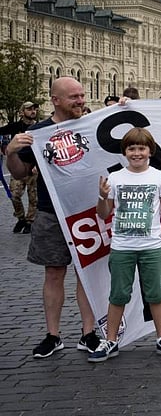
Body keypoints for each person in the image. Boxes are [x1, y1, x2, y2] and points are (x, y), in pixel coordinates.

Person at [5, 78, 101, 358]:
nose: (81, 100)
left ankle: (88, 333)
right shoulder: (37, 133)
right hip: (51, 212)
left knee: (87, 273)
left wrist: (122, 108)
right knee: (54, 273)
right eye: (74, 97)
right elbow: (21, 172)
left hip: (87, 211)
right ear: (56, 100)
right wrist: (10, 152)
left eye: (82, 95)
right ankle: (53, 335)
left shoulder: (91, 125)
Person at [89, 127, 161, 362]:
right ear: (125, 152)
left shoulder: (159, 177)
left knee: (156, 293)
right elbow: (103, 214)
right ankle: (111, 340)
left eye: (141, 148)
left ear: (150, 151)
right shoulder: (115, 178)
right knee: (118, 294)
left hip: (151, 245)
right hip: (122, 247)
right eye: (132, 148)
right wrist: (101, 196)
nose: (137, 153)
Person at [0, 101, 39, 233]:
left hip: (33, 168)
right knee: (14, 195)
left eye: (34, 109)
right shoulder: (15, 126)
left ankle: (30, 221)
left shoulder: (39, 128)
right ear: (22, 112)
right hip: (17, 167)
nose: (33, 111)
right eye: (29, 109)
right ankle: (20, 218)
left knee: (33, 197)